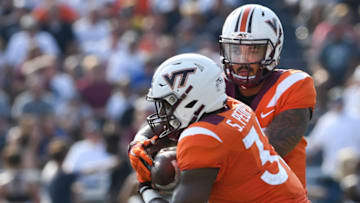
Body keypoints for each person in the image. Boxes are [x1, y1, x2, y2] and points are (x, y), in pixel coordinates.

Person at [128, 3, 316, 189]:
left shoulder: (294, 84)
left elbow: (267, 152)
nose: (242, 60)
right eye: (235, 49)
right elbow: (171, 118)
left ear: (274, 49)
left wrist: (180, 156)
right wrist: (141, 141)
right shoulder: (213, 84)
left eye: (253, 50)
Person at [130, 53, 309, 202]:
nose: (163, 113)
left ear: (191, 100)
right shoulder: (233, 106)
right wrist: (140, 141)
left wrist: (145, 187)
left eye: (168, 104)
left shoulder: (201, 137)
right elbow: (168, 121)